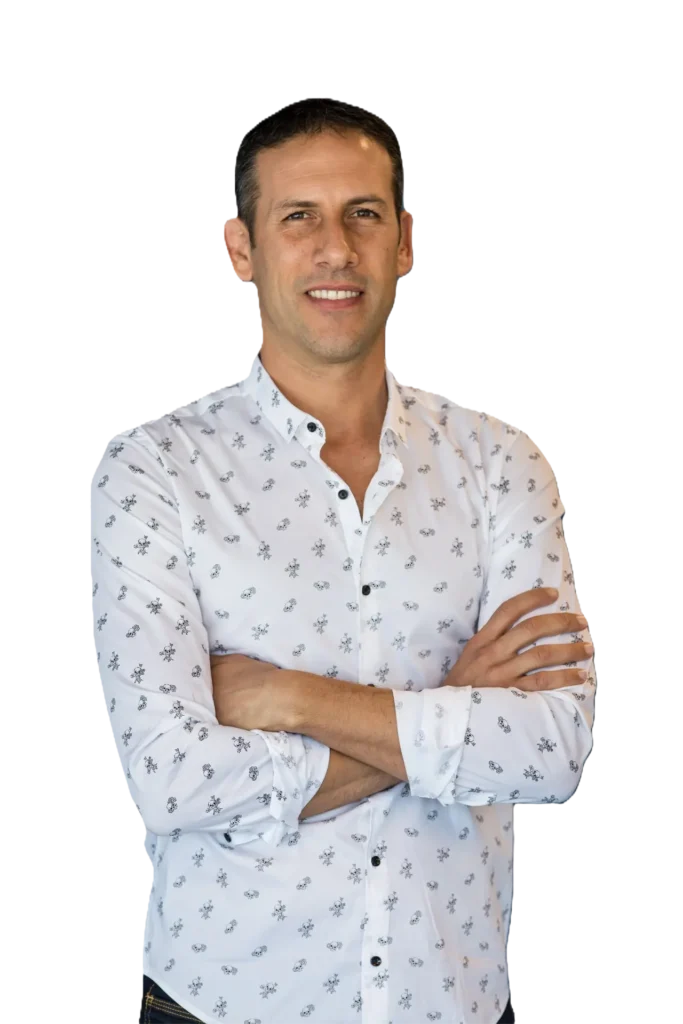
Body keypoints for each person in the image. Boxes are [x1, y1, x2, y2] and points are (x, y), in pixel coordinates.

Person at [90, 98, 595, 1024]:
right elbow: (169, 780)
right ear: (239, 251)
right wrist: (455, 705)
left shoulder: (502, 461)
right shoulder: (151, 469)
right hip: (217, 1005)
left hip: (451, 1001)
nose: (335, 248)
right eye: (299, 218)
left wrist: (290, 699)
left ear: (404, 242)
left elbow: (551, 751)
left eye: (363, 214)